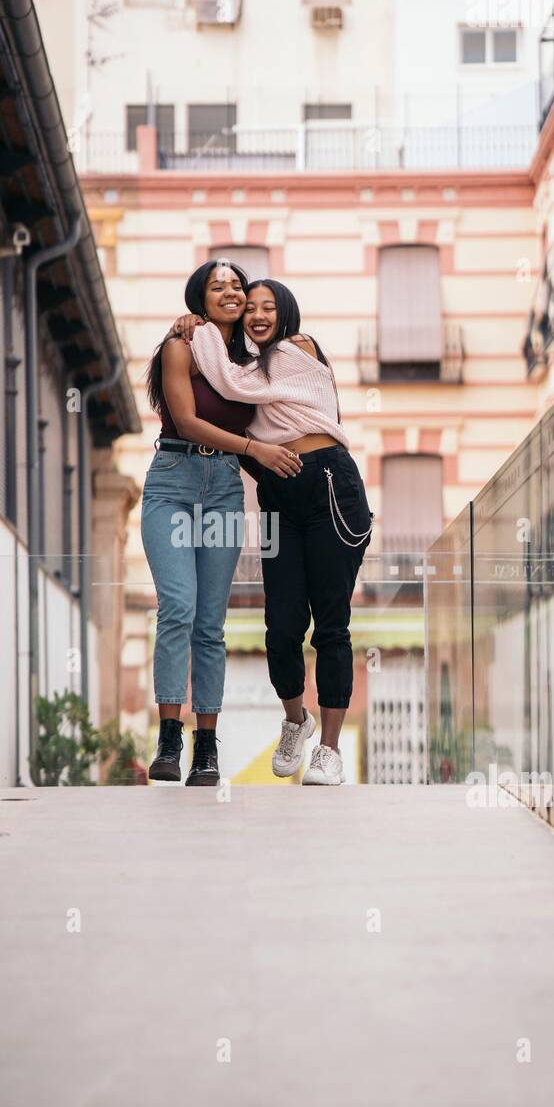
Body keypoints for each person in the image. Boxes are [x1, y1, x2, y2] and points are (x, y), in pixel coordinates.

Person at [170, 277, 372, 786]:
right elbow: (229, 394)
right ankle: (295, 719)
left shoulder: (293, 351)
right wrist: (203, 328)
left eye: (269, 306)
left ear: (286, 313)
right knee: (280, 628)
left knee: (332, 625)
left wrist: (201, 330)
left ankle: (329, 749)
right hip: (279, 491)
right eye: (250, 308)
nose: (258, 314)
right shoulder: (245, 368)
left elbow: (232, 384)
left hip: (329, 482)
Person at [143, 261, 302, 787]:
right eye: (219, 287)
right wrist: (257, 448)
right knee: (178, 608)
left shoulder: (254, 362)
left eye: (237, 285)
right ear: (200, 300)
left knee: (211, 624)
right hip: (173, 479)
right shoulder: (180, 347)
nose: (231, 293)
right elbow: (186, 420)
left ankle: (206, 749)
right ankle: (169, 737)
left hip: (225, 489)